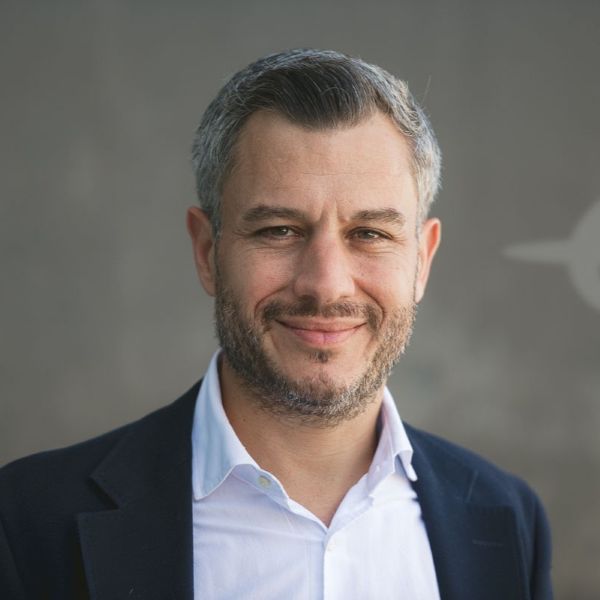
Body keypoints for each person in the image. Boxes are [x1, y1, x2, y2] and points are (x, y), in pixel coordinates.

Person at [0, 49, 552, 600]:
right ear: (207, 251)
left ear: (422, 261)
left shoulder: (508, 522)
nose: (326, 285)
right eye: (279, 230)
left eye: (370, 234)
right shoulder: (26, 523)